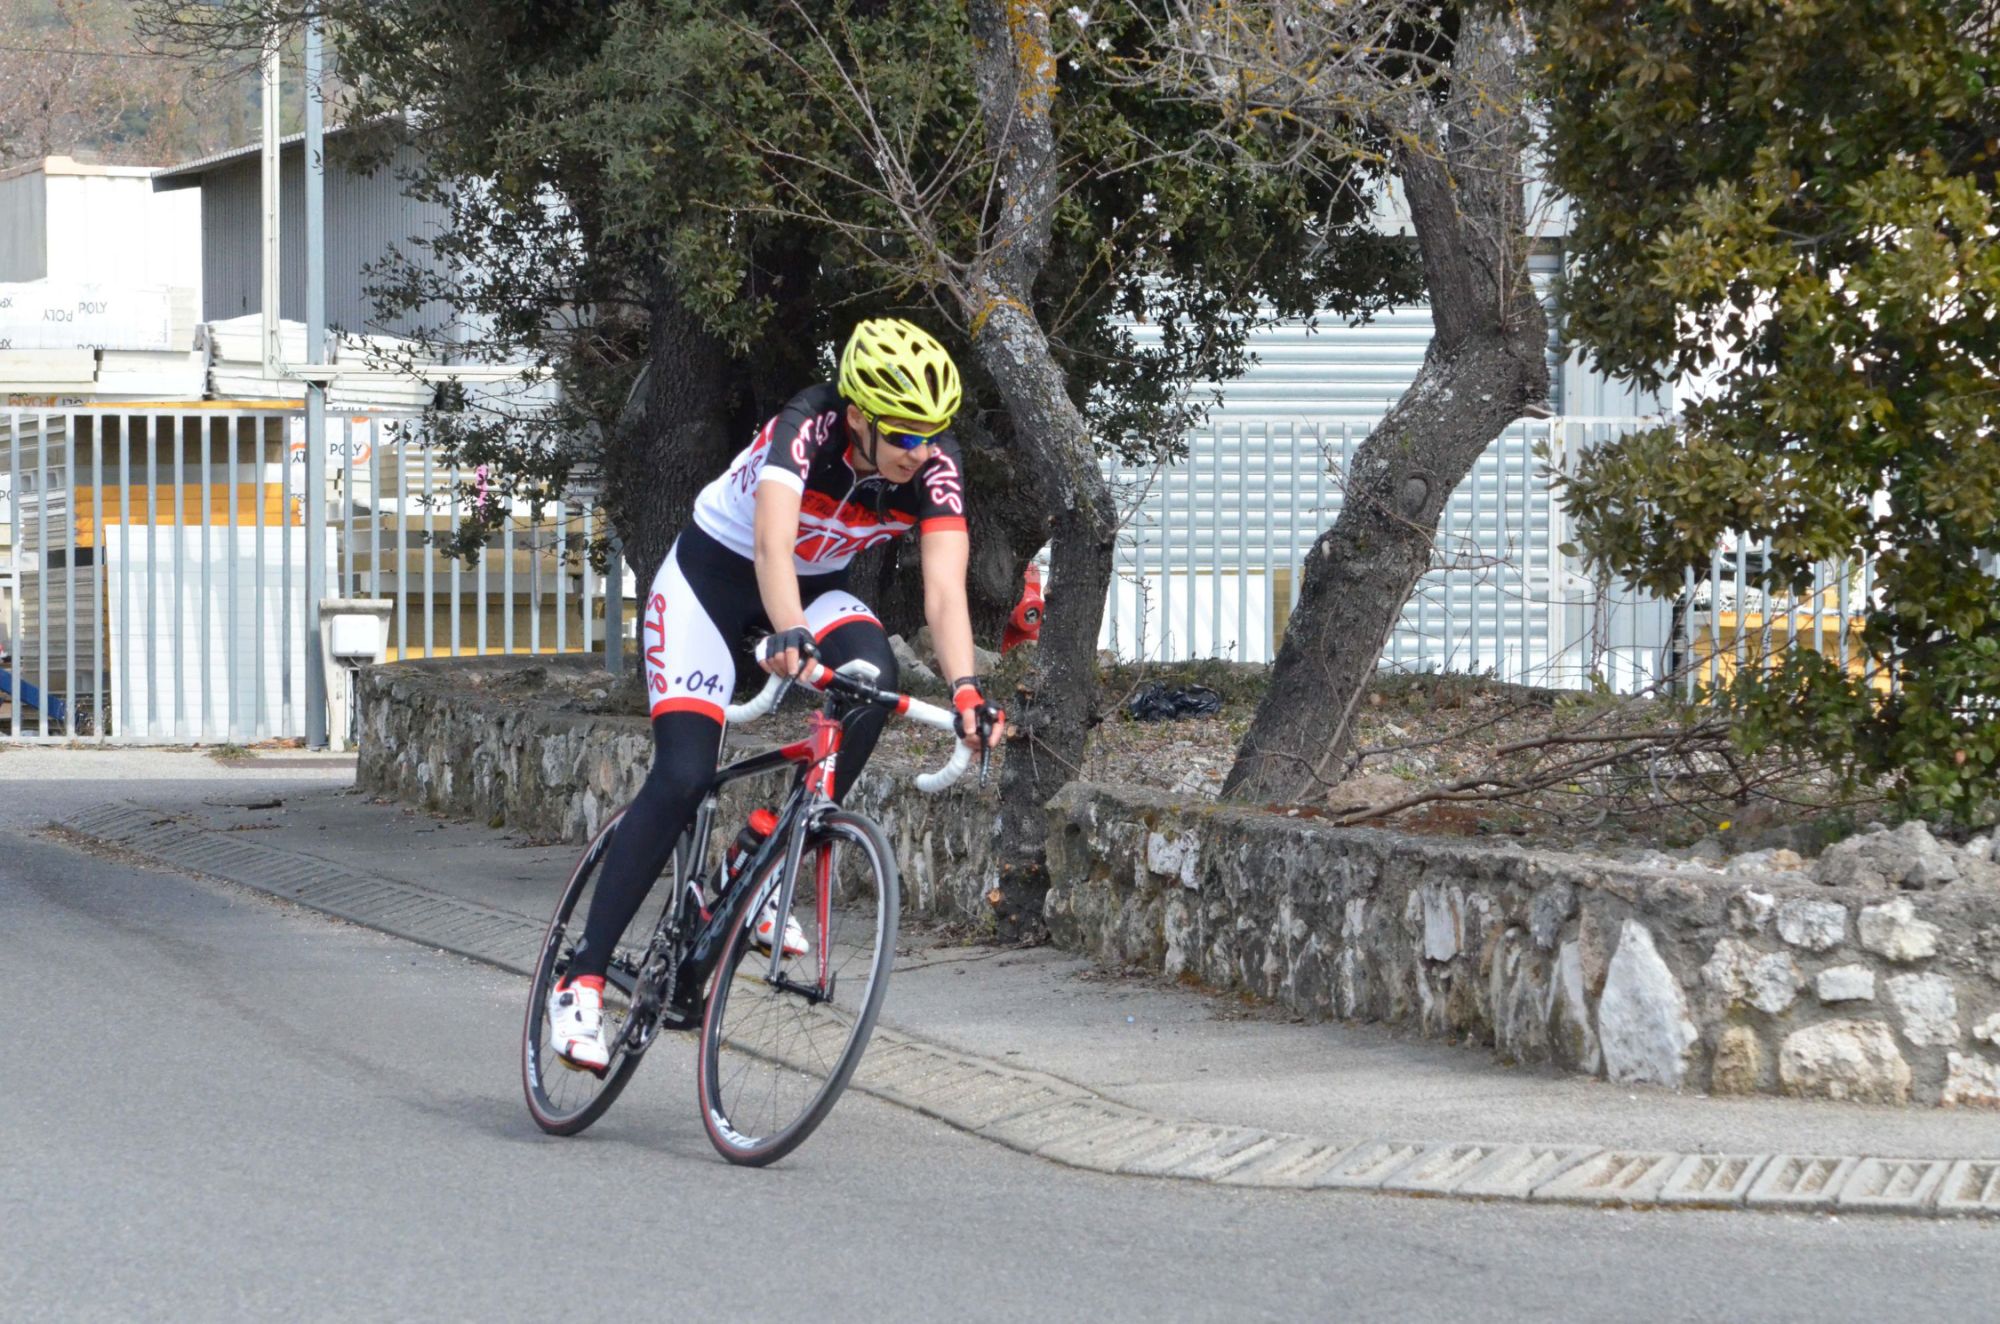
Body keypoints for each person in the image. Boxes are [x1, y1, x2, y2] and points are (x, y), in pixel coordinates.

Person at [548, 317, 1008, 1070]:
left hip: (815, 591)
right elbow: (770, 544)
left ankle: (763, 860)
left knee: (872, 683)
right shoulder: (807, 423)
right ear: (857, 417)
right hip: (709, 584)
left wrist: (966, 691)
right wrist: (788, 631)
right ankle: (583, 979)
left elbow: (945, 591)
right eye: (903, 435)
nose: (919, 451)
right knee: (684, 775)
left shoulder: (934, 465)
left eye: (932, 435)